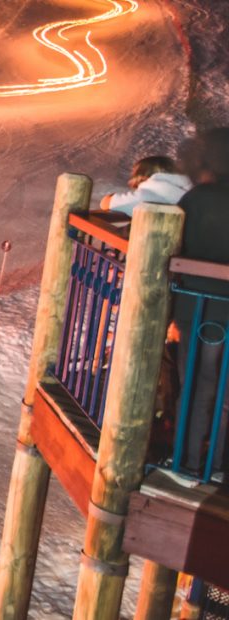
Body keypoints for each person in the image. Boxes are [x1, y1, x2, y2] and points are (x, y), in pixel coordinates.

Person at [173, 128, 229, 474]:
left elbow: (173, 245)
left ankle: (189, 462)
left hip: (198, 307)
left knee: (196, 383)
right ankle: (217, 464)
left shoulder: (195, 199)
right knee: (224, 392)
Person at [100, 155, 192, 216]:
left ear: (141, 175)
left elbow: (107, 203)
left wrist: (110, 197)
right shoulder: (191, 191)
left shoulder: (148, 194)